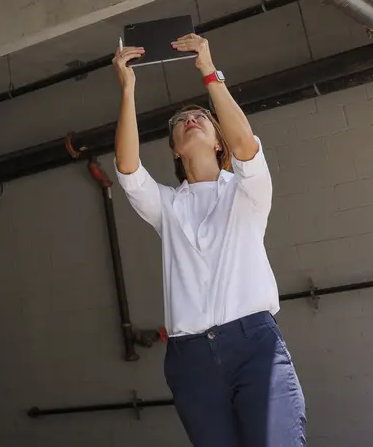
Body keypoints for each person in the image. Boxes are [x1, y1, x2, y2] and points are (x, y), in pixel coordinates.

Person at [111, 33, 306, 447]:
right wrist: (127, 89)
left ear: (219, 143)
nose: (190, 120)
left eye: (200, 117)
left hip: (254, 345)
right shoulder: (167, 206)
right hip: (190, 357)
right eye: (180, 122)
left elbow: (246, 146)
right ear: (176, 151)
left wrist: (208, 71)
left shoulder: (247, 192)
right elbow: (128, 170)